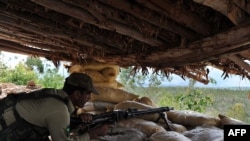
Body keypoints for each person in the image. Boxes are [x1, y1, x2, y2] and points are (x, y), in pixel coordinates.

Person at [0, 72, 109, 141]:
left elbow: (50, 118)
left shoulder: (56, 96)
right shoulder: (59, 110)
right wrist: (92, 134)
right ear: (76, 94)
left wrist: (77, 120)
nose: (89, 97)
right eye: (87, 94)